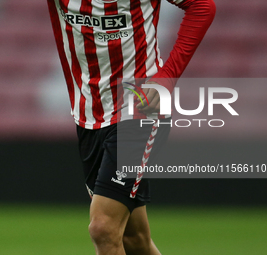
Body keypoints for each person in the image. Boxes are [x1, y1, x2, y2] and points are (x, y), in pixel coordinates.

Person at [47, 0, 216, 254]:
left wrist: (168, 75)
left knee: (103, 227)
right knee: (135, 239)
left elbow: (203, 6)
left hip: (141, 105)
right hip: (90, 114)